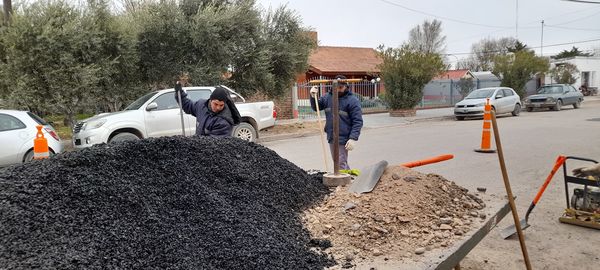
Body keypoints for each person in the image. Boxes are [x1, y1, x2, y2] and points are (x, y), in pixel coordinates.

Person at [310, 75, 363, 170]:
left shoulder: (352, 101)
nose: (338, 89)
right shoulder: (327, 97)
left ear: (346, 86)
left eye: (341, 87)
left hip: (343, 137)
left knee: (340, 163)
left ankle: (344, 183)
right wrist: (313, 96)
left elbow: (357, 121)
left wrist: (353, 138)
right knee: (337, 162)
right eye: (336, 87)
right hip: (331, 136)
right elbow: (316, 107)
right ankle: (348, 178)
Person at [174, 82, 241, 137]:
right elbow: (188, 105)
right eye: (215, 104)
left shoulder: (224, 122)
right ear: (210, 100)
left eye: (221, 105)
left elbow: (212, 145)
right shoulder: (201, 105)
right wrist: (179, 93)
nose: (218, 108)